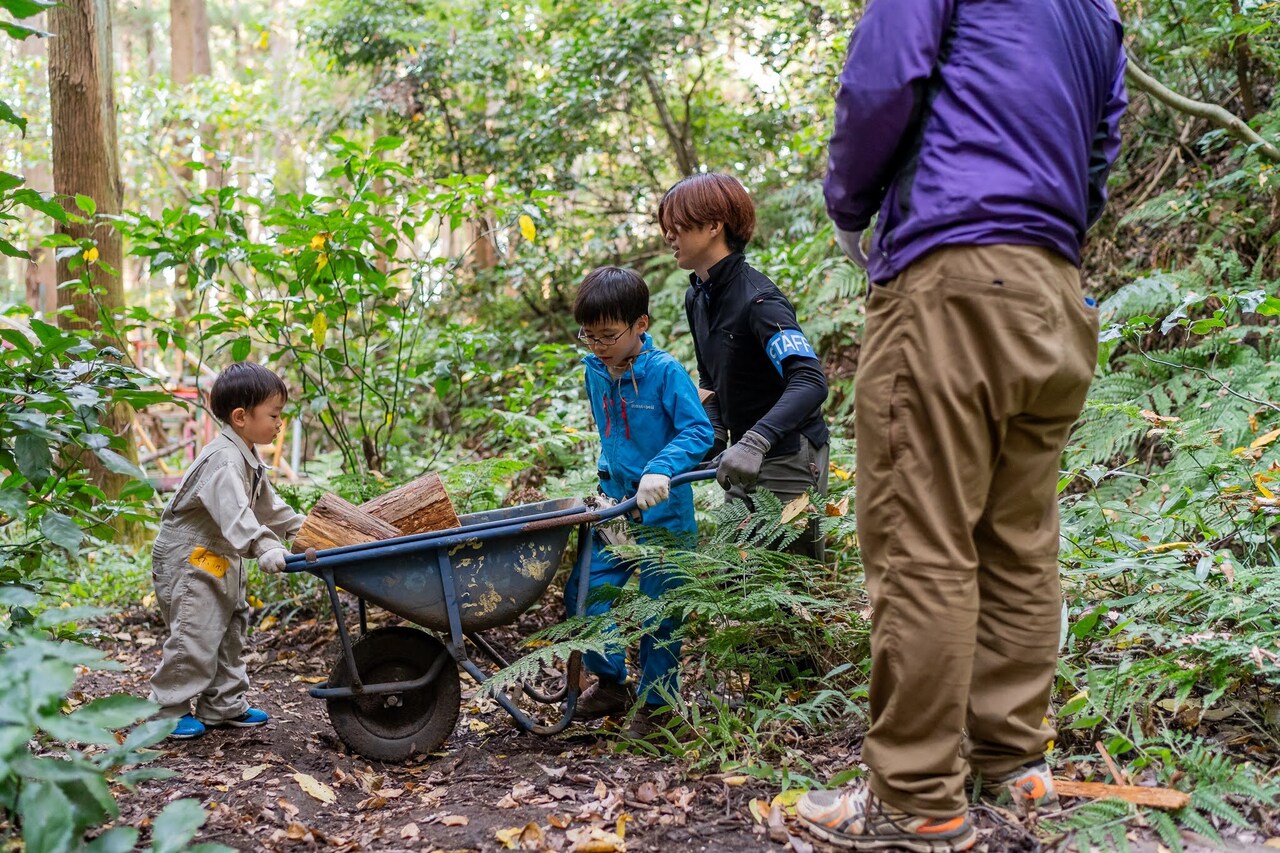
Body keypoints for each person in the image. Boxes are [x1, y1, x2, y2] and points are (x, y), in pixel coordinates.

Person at [796, 1, 1127, 850]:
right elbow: (1100, 144)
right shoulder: (1097, 9)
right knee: (1018, 540)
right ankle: (1013, 763)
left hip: (952, 275)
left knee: (923, 535)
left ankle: (914, 797)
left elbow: (881, 82)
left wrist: (849, 203)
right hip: (1056, 292)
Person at [565, 266, 714, 735]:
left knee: (662, 610)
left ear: (641, 325)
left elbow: (699, 430)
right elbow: (610, 437)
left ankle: (659, 705)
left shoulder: (665, 373)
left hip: (664, 513)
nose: (599, 346)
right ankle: (611, 682)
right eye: (589, 336)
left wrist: (661, 467)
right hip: (614, 508)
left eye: (609, 335)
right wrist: (607, 484)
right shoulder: (595, 371)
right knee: (584, 594)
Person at [657, 173, 830, 560]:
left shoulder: (759, 301)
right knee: (739, 580)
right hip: (742, 460)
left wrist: (755, 440)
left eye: (677, 223)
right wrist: (715, 435)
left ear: (715, 225)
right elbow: (710, 377)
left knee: (789, 582)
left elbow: (810, 380)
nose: (668, 235)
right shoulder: (698, 296)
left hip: (788, 454)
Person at [148, 362, 305, 740]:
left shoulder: (247, 456)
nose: (279, 423)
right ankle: (169, 710)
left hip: (219, 558)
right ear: (240, 417)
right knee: (195, 631)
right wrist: (265, 545)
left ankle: (222, 705)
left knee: (231, 627)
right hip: (189, 559)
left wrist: (305, 531)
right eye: (273, 415)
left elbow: (269, 508)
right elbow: (236, 515)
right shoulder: (223, 460)